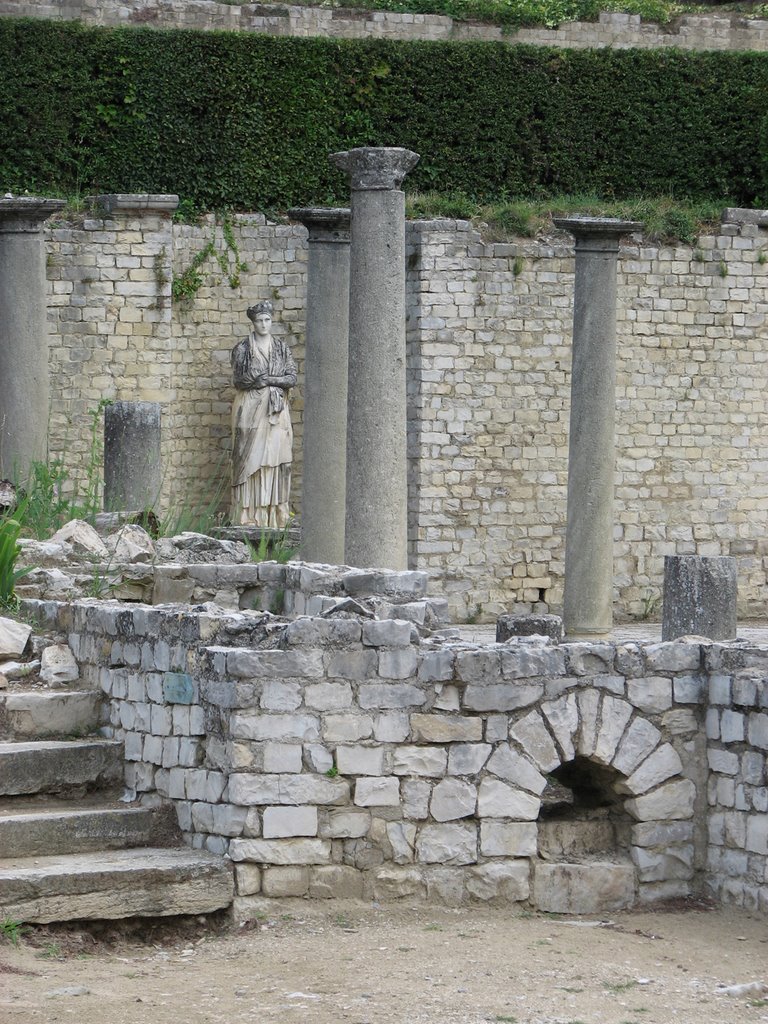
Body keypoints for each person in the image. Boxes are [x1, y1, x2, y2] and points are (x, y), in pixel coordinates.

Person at [230, 301, 297, 527]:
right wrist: (257, 383)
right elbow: (238, 380)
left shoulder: (281, 348)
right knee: (248, 457)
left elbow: (291, 377)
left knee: (276, 459)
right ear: (253, 322)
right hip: (249, 408)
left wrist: (269, 380)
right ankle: (246, 513)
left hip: (276, 411)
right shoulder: (242, 349)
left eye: (267, 319)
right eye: (259, 320)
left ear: (272, 321)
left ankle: (275, 512)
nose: (264, 324)